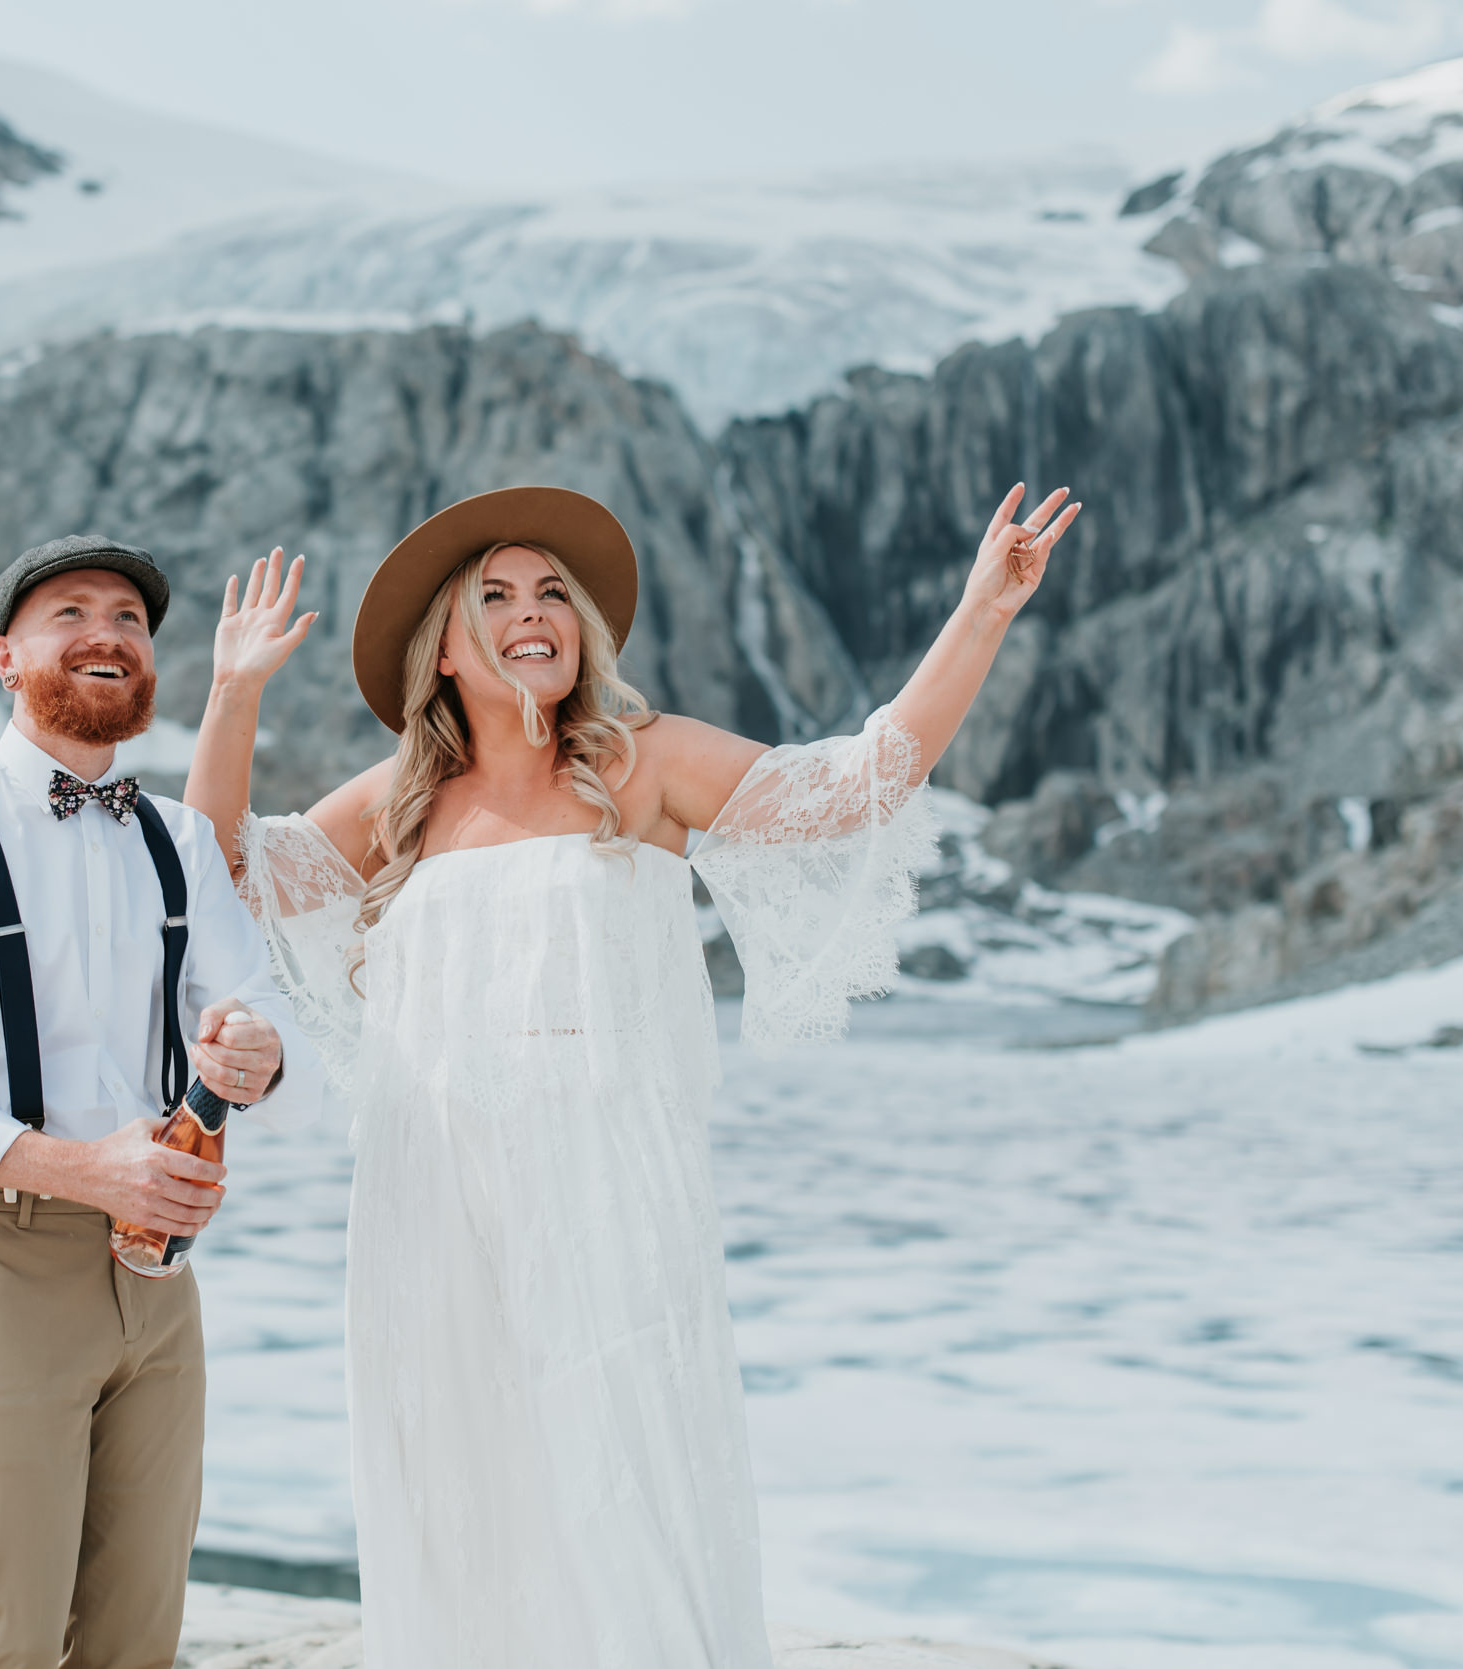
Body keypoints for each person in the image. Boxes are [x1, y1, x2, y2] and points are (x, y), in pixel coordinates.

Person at [184, 483, 1081, 1668]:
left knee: (625, 1488)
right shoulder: (400, 800)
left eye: (552, 590)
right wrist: (233, 688)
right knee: (459, 1493)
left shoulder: (644, 762)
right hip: (428, 1202)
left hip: (608, 1193)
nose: (533, 610)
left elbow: (859, 784)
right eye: (494, 595)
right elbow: (217, 872)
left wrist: (981, 611)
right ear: (443, 649)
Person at [0, 533, 322, 1669]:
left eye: (131, 618)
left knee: (136, 1638)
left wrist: (258, 1052)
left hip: (159, 1285)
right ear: (9, 656)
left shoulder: (176, 843)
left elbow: (262, 1011)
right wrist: (83, 1168)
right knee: (8, 1641)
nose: (108, 632)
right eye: (73, 612)